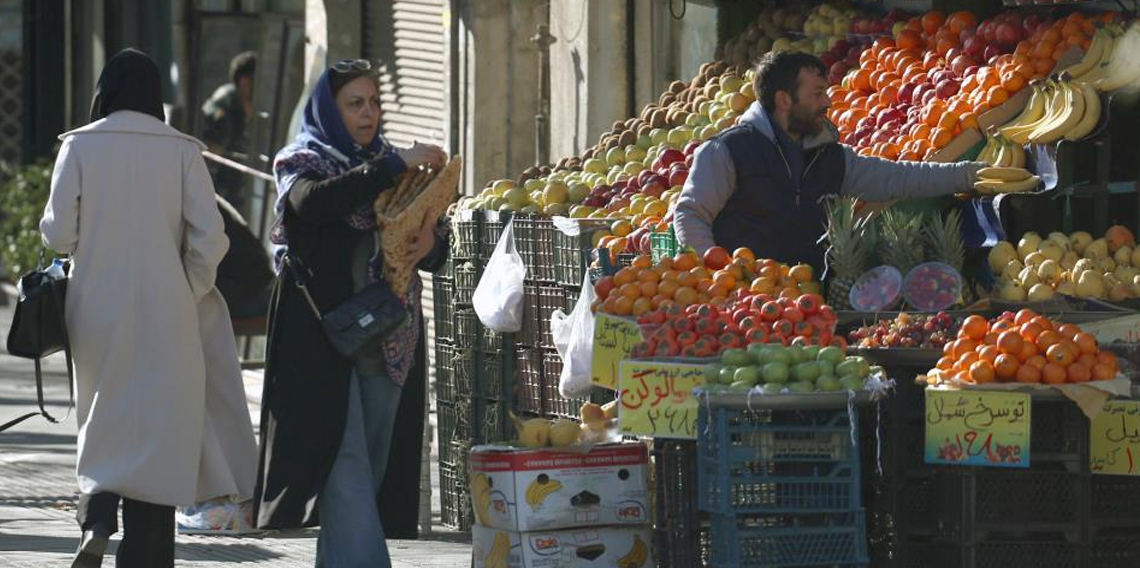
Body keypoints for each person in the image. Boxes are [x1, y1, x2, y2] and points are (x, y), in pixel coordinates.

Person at [40, 48, 258, 568]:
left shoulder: (80, 146)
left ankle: (95, 518)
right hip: (170, 311)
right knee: (160, 431)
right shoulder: (182, 150)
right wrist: (189, 289)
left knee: (103, 418)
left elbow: (56, 232)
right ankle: (146, 555)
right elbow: (212, 237)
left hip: (95, 306)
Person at [252, 59, 448, 566]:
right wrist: (390, 167)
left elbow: (430, 246)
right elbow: (313, 205)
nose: (368, 113)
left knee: (373, 465)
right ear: (328, 109)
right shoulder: (304, 162)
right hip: (322, 339)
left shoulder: (392, 163)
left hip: (390, 338)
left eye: (375, 102)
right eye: (355, 104)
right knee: (346, 461)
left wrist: (429, 242)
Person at [675, 50, 984, 271]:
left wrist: (971, 174)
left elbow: (897, 177)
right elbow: (690, 213)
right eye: (818, 93)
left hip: (806, 306)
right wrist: (712, 269)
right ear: (784, 100)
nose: (828, 102)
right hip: (739, 303)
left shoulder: (831, 156)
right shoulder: (727, 150)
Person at [201, 51, 257, 212]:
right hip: (220, 196)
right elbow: (212, 153)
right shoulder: (227, 107)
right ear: (245, 82)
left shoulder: (242, 103)